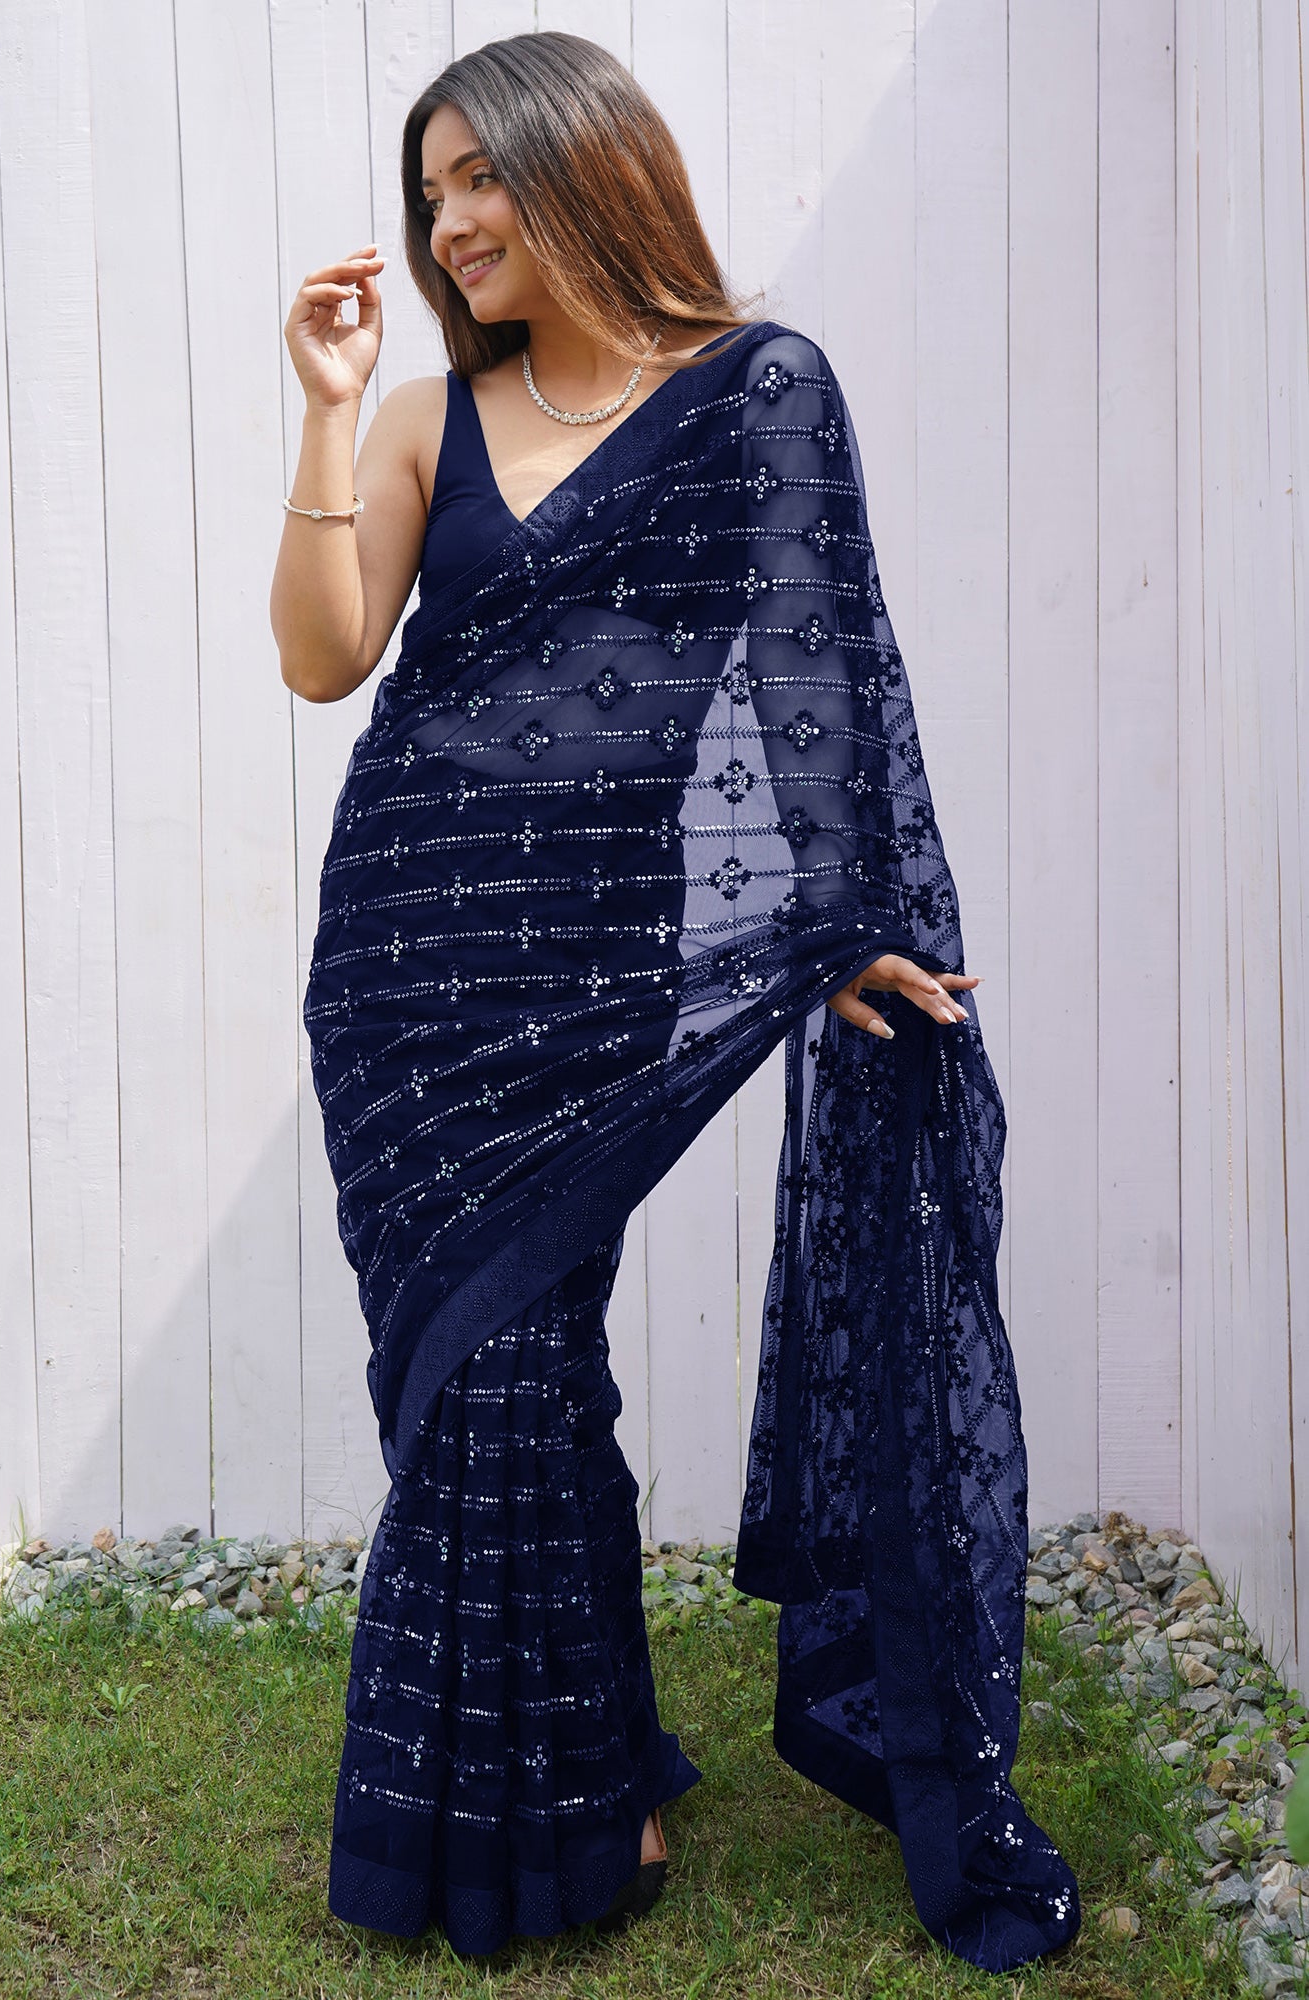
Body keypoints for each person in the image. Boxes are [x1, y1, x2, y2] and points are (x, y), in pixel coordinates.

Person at [272, 29, 1080, 1974]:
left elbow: (813, 678)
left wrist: (849, 923)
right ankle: (592, 1780)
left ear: (589, 164)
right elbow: (323, 658)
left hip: (593, 971)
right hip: (402, 965)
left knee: (524, 1357)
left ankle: (556, 1800)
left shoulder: (754, 392)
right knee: (491, 1369)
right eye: (433, 189)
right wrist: (326, 409)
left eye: (483, 175)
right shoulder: (428, 418)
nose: (451, 223)